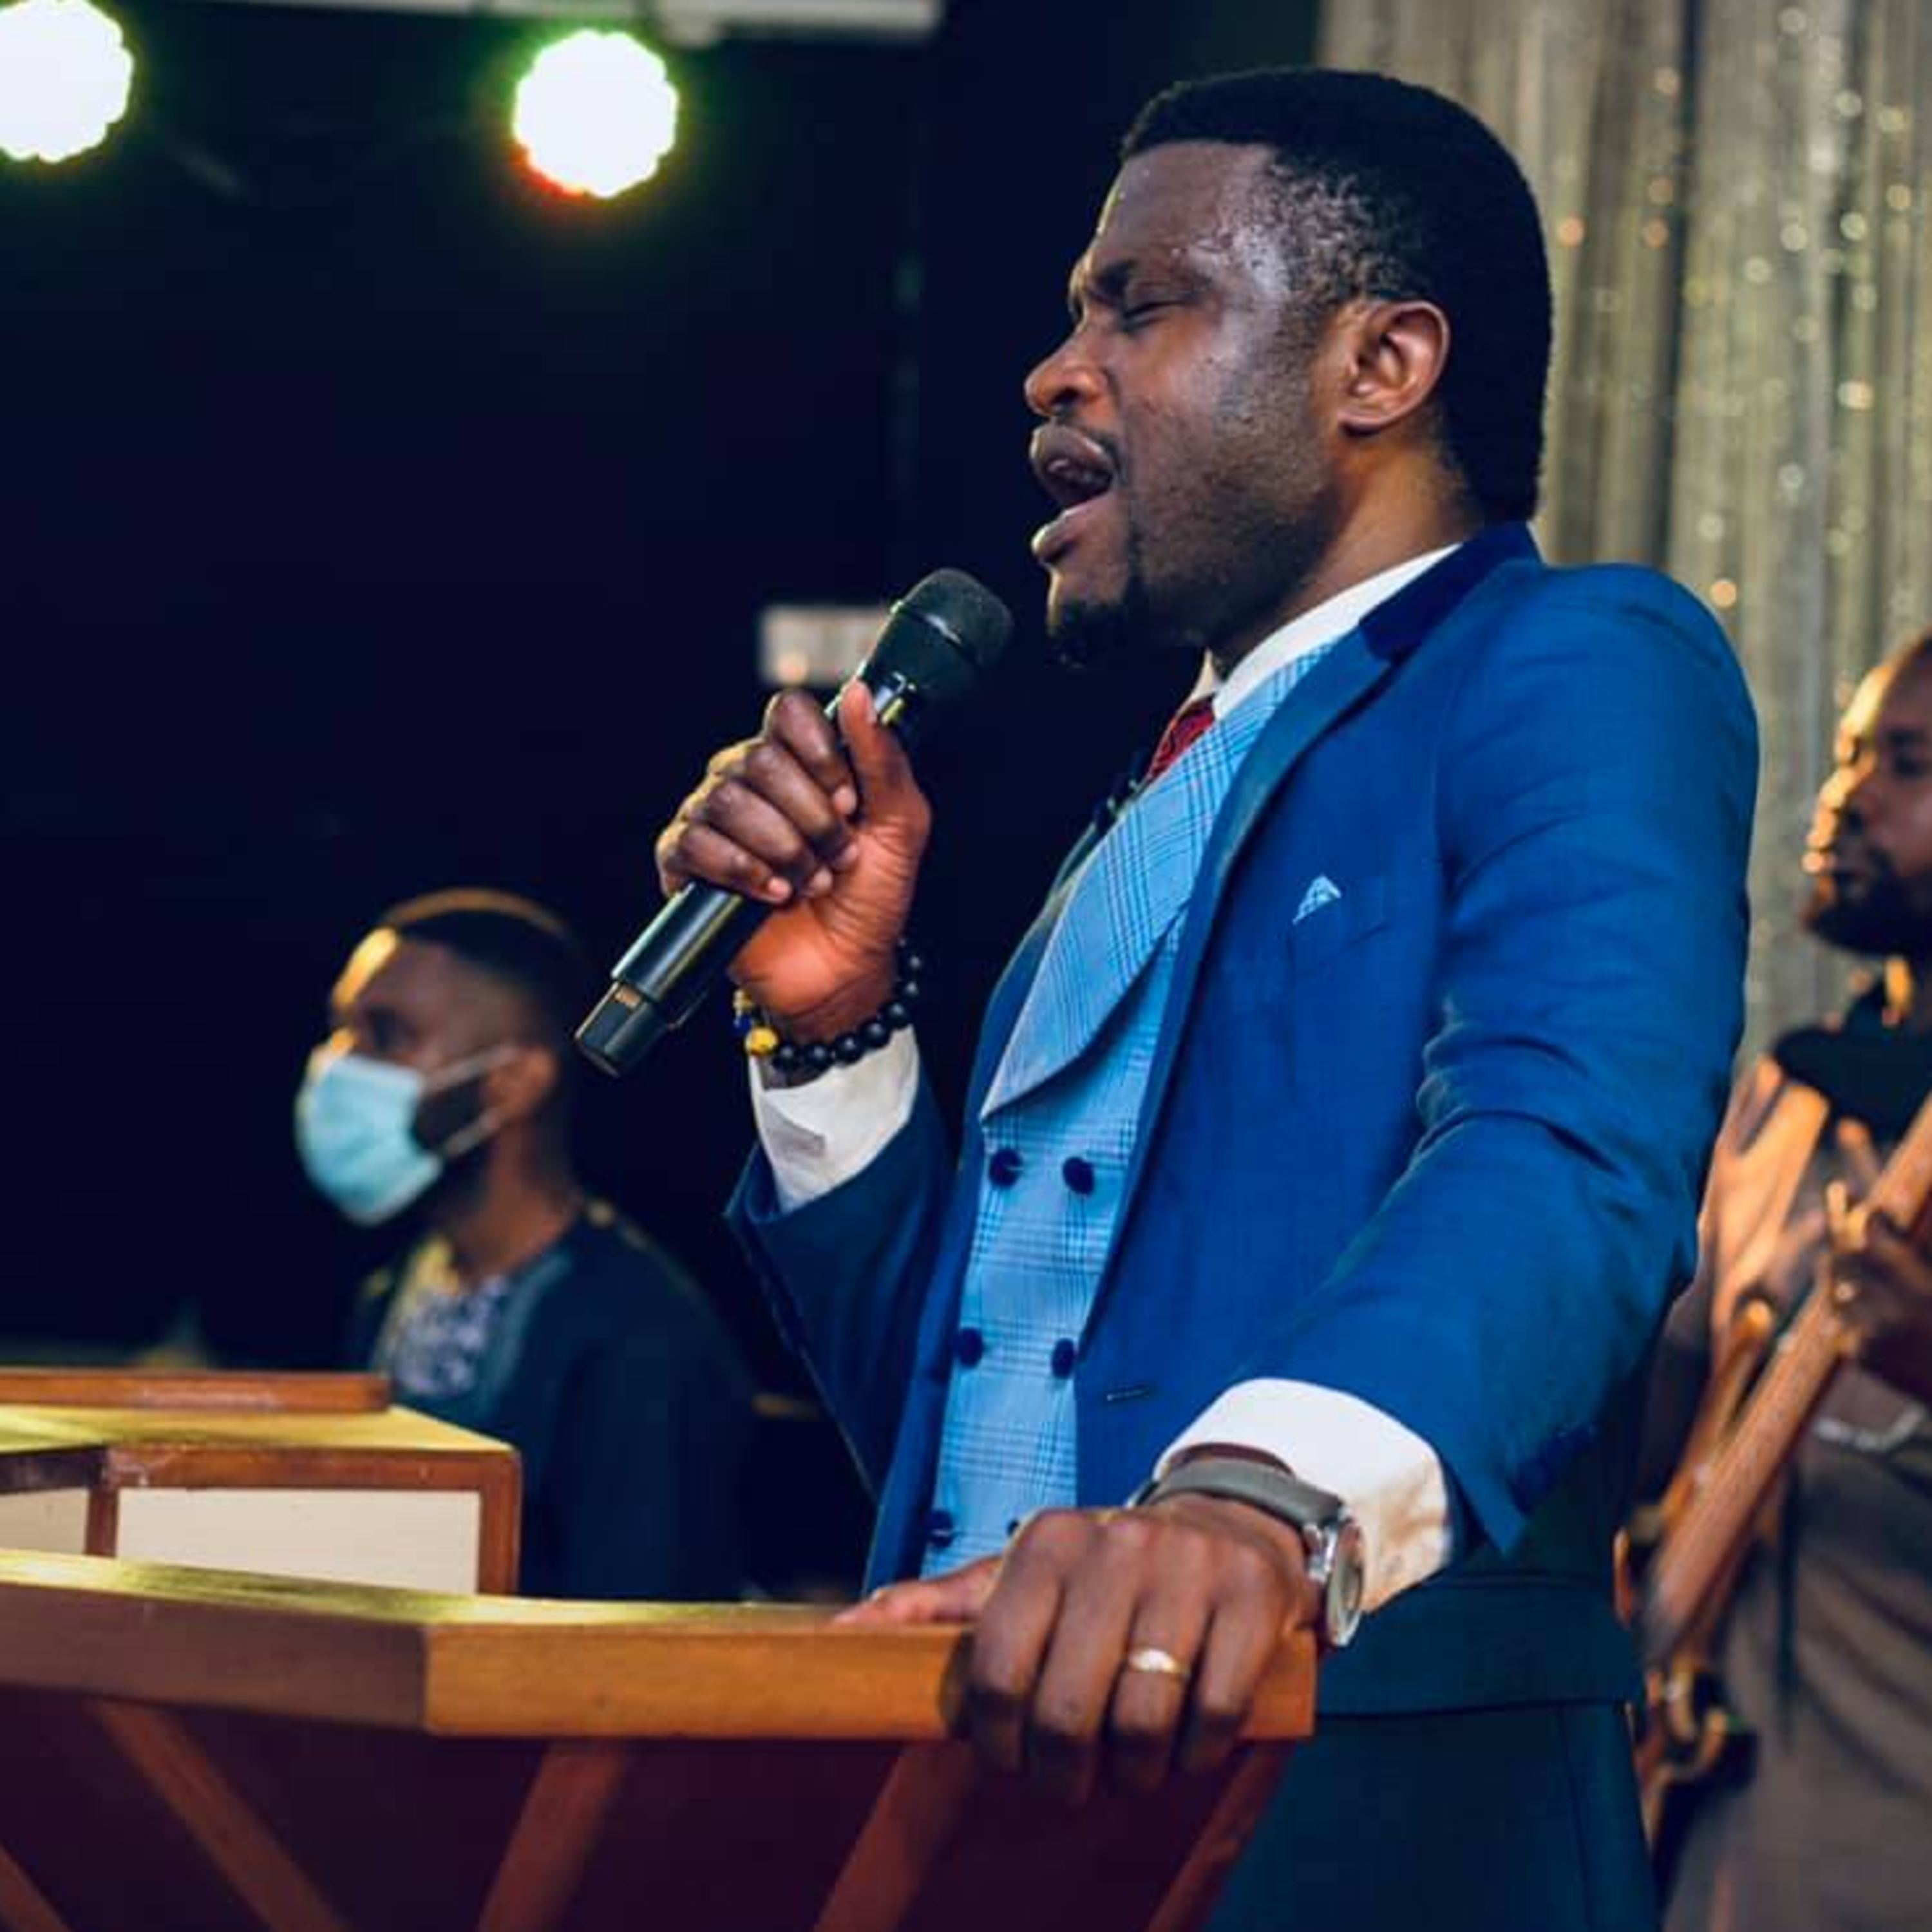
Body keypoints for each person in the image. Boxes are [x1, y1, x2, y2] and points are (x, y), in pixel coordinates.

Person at [658, 69, 1756, 1929]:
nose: (1053, 372)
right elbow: (977, 1405)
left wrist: (1254, 1508)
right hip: (987, 1823)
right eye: (1073, 314)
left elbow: (1568, 1147)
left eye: (1140, 305)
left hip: (1357, 1838)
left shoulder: (1574, 658)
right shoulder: (1134, 815)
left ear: (1380, 365)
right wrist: (834, 1032)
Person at [1642, 636, 1932, 1932]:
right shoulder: (1787, 1093)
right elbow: (1666, 1403)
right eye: (1853, 754)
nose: (1846, 794)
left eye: (1906, 764)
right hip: (1709, 1821)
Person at [296, 887, 753, 1602]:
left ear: (514, 1084)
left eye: (385, 1035)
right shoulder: (396, 1292)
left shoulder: (636, 1336)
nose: (340, 1065)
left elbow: (638, 1630)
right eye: (341, 1029)